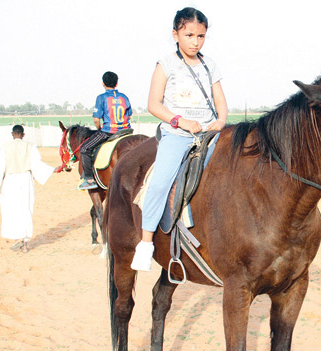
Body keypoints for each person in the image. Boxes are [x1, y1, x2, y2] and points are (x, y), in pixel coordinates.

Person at [130, 7, 228, 271]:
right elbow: (153, 104)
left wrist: (219, 121)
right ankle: (147, 242)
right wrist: (180, 121)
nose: (195, 42)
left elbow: (221, 103)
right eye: (189, 35)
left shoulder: (211, 65)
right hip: (177, 135)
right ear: (175, 34)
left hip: (210, 135)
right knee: (159, 184)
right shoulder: (166, 64)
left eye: (201, 36)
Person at [0, 125, 58, 253]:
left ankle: (19, 239)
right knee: (26, 209)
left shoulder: (5, 147)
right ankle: (24, 243)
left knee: (12, 210)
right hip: (25, 180)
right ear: (23, 134)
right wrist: (52, 169)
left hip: (10, 181)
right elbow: (37, 164)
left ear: (12, 134)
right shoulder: (30, 146)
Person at [77, 71, 133, 190]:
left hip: (109, 131)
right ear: (117, 83)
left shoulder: (101, 98)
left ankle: (89, 180)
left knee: (85, 148)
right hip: (126, 131)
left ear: (103, 83)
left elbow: (96, 120)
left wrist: (99, 129)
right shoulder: (124, 97)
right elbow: (128, 116)